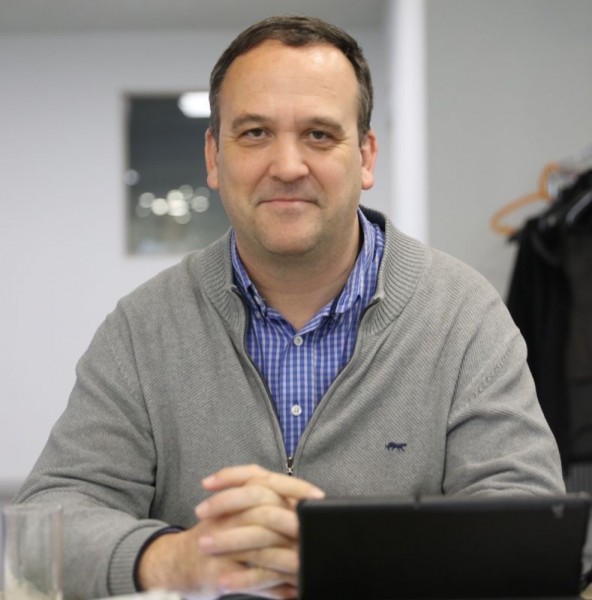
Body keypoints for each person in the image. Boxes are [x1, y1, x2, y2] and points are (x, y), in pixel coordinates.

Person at [16, 14, 564, 600]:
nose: (286, 166)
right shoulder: (143, 328)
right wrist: (174, 559)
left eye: (319, 135)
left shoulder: (462, 316)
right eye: (254, 133)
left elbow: (531, 526)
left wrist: (346, 558)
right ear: (213, 156)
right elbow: (41, 527)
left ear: (366, 156)